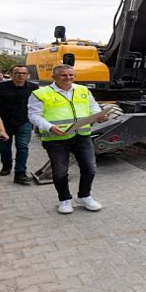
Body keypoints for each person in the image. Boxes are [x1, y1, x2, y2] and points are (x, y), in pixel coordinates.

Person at [28, 64, 108, 214]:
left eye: (71, 75)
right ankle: (64, 199)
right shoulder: (40, 93)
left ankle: (84, 196)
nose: (68, 78)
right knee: (59, 172)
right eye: (64, 75)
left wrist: (100, 115)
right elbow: (33, 115)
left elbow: (93, 107)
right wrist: (49, 127)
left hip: (82, 136)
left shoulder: (83, 90)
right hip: (55, 139)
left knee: (90, 168)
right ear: (53, 77)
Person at [0, 65, 38, 184]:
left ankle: (20, 173)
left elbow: (38, 104)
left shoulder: (33, 88)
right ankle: (6, 166)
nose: (20, 75)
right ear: (11, 74)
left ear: (28, 75)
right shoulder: (0, 87)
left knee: (22, 146)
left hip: (24, 122)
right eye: (17, 73)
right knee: (4, 147)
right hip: (3, 123)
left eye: (23, 73)